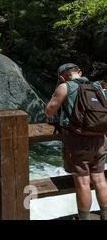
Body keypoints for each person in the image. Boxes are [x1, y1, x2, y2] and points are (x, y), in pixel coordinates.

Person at [45, 63, 107, 220]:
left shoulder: (65, 87)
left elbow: (49, 111)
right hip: (99, 139)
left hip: (78, 141)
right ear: (80, 72)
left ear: (62, 77)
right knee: (100, 179)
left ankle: (84, 218)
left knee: (83, 182)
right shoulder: (97, 87)